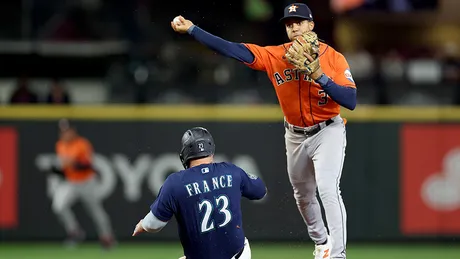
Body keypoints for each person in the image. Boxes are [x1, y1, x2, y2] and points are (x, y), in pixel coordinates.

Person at [170, 3, 357, 259]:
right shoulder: (276, 56)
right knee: (303, 196)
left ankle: (337, 255)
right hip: (295, 134)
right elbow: (232, 50)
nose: (294, 27)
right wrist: (193, 29)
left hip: (328, 131)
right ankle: (322, 243)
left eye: (299, 22)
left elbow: (351, 100)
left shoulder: (333, 58)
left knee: (327, 188)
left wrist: (321, 76)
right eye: (290, 24)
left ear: (311, 25)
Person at [132, 127, 267, 259]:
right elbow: (260, 191)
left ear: (184, 154)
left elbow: (153, 225)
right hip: (239, 255)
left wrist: (142, 225)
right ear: (211, 150)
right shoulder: (232, 172)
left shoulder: (175, 183)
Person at [49, 119, 115, 249]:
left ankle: (107, 237)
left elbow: (87, 165)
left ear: (73, 131)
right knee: (58, 206)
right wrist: (57, 170)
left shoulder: (82, 144)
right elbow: (65, 170)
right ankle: (74, 231)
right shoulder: (60, 145)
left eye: (67, 130)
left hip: (86, 182)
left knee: (96, 211)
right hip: (71, 183)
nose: (65, 133)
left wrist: (72, 164)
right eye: (62, 131)